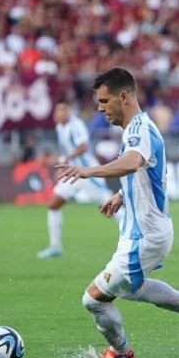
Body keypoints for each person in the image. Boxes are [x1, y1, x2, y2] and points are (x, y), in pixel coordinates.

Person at [55, 68, 179, 358]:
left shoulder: (138, 130)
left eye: (105, 101)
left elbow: (132, 162)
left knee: (93, 299)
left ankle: (121, 354)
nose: (100, 108)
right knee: (133, 290)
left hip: (144, 235)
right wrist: (121, 196)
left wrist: (88, 170)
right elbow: (153, 169)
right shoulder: (140, 128)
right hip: (146, 230)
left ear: (124, 96)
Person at [37, 101, 122, 259]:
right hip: (72, 173)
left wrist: (65, 158)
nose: (60, 114)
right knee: (53, 204)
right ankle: (55, 246)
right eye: (58, 111)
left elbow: (83, 148)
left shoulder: (76, 125)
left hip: (87, 174)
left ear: (70, 111)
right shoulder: (60, 127)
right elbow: (68, 150)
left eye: (63, 110)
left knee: (108, 208)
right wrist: (64, 166)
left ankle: (138, 236)